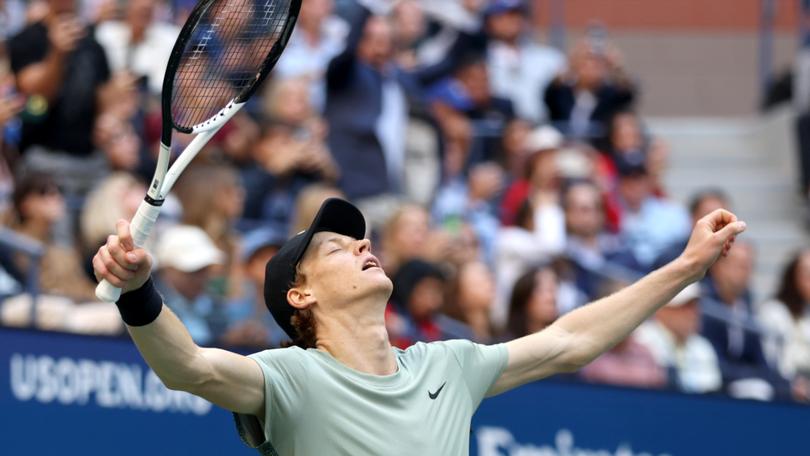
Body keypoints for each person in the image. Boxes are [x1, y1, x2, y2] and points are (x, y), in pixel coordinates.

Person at [92, 198, 745, 454]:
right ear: (301, 293)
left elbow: (570, 340)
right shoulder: (290, 378)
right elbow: (191, 367)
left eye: (363, 239)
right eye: (336, 247)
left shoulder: (447, 365)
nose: (361, 246)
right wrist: (136, 291)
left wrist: (686, 267)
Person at [635, 283, 722, 394]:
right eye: (684, 306)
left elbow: (710, 393)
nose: (693, 313)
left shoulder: (703, 347)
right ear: (661, 309)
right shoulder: (642, 339)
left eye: (695, 306)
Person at [758, 249, 810, 400]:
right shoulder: (773, 311)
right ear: (793, 277)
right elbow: (771, 360)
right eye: (806, 274)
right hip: (783, 390)